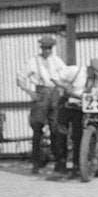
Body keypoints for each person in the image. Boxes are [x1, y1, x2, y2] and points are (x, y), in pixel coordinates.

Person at [16, 34, 67, 176]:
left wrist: (62, 92)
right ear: (41, 48)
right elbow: (20, 78)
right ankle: (36, 164)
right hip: (40, 94)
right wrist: (30, 92)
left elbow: (65, 77)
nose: (47, 51)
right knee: (37, 130)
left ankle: (59, 163)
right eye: (45, 48)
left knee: (56, 130)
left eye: (49, 48)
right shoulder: (32, 61)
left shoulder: (58, 62)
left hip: (55, 94)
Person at [55, 58, 98, 179]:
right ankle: (61, 164)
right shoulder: (76, 70)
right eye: (95, 73)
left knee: (78, 136)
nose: (95, 76)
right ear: (90, 69)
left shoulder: (97, 80)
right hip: (67, 105)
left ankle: (77, 166)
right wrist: (64, 86)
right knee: (61, 133)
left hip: (81, 108)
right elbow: (55, 77)